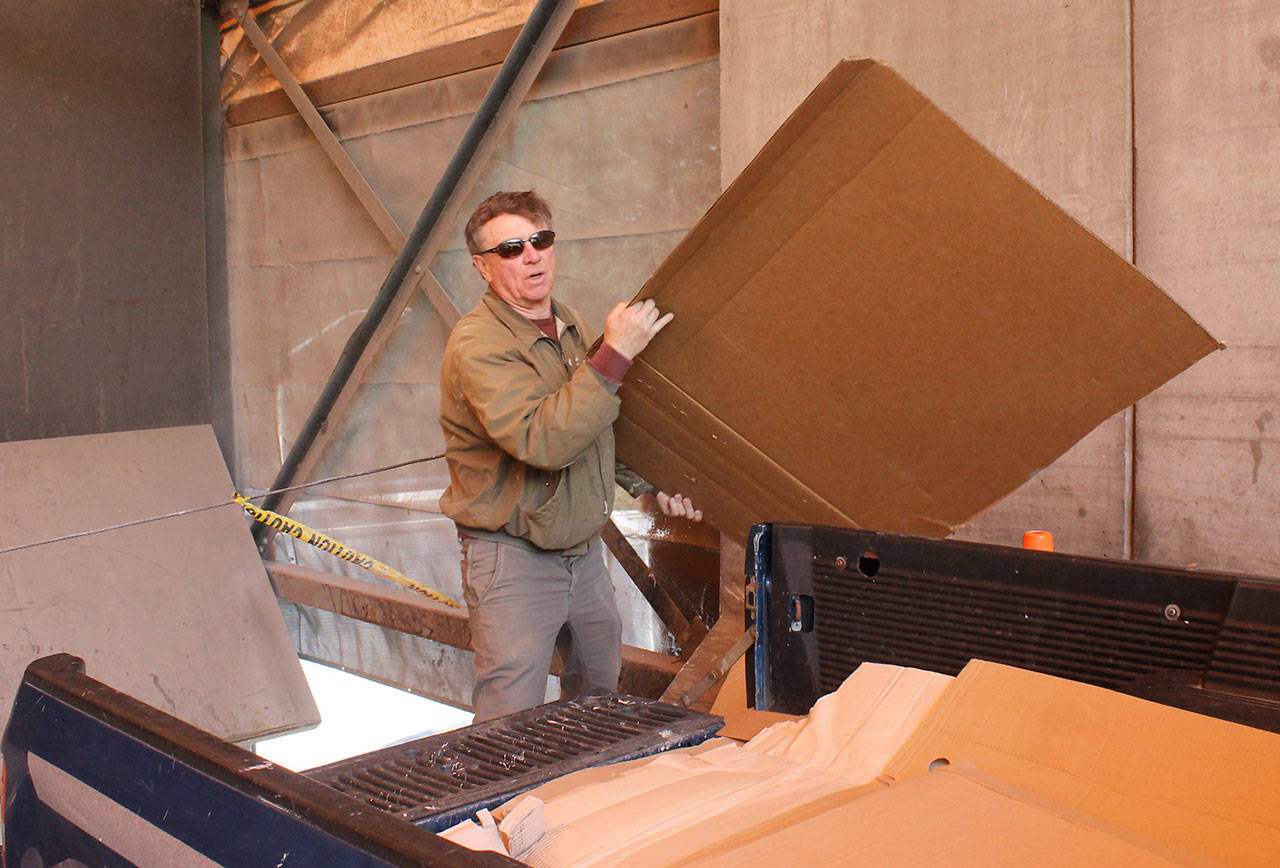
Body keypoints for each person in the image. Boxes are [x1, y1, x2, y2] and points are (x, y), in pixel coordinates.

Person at [439, 190, 702, 722]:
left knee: (597, 695)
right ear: (482, 268)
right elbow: (545, 441)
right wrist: (617, 353)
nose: (531, 256)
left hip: (582, 553)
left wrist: (651, 485)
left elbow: (597, 429)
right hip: (513, 558)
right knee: (509, 716)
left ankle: (580, 798)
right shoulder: (478, 345)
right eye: (511, 249)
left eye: (541, 240)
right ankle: (507, 808)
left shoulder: (574, 326)